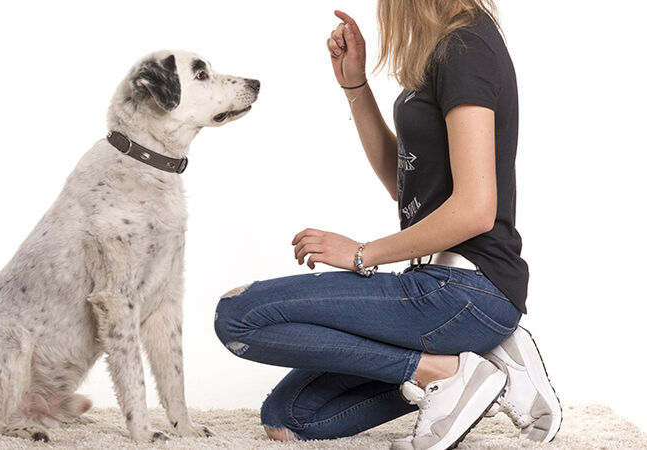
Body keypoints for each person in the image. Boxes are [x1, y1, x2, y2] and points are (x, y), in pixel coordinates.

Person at [210, 1, 560, 449]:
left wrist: (360, 253)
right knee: (291, 418)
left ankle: (448, 371)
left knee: (239, 316)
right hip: (441, 288)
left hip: (464, 290)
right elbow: (407, 184)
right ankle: (477, 360)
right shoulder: (445, 46)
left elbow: (475, 209)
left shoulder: (466, 47)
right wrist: (355, 85)